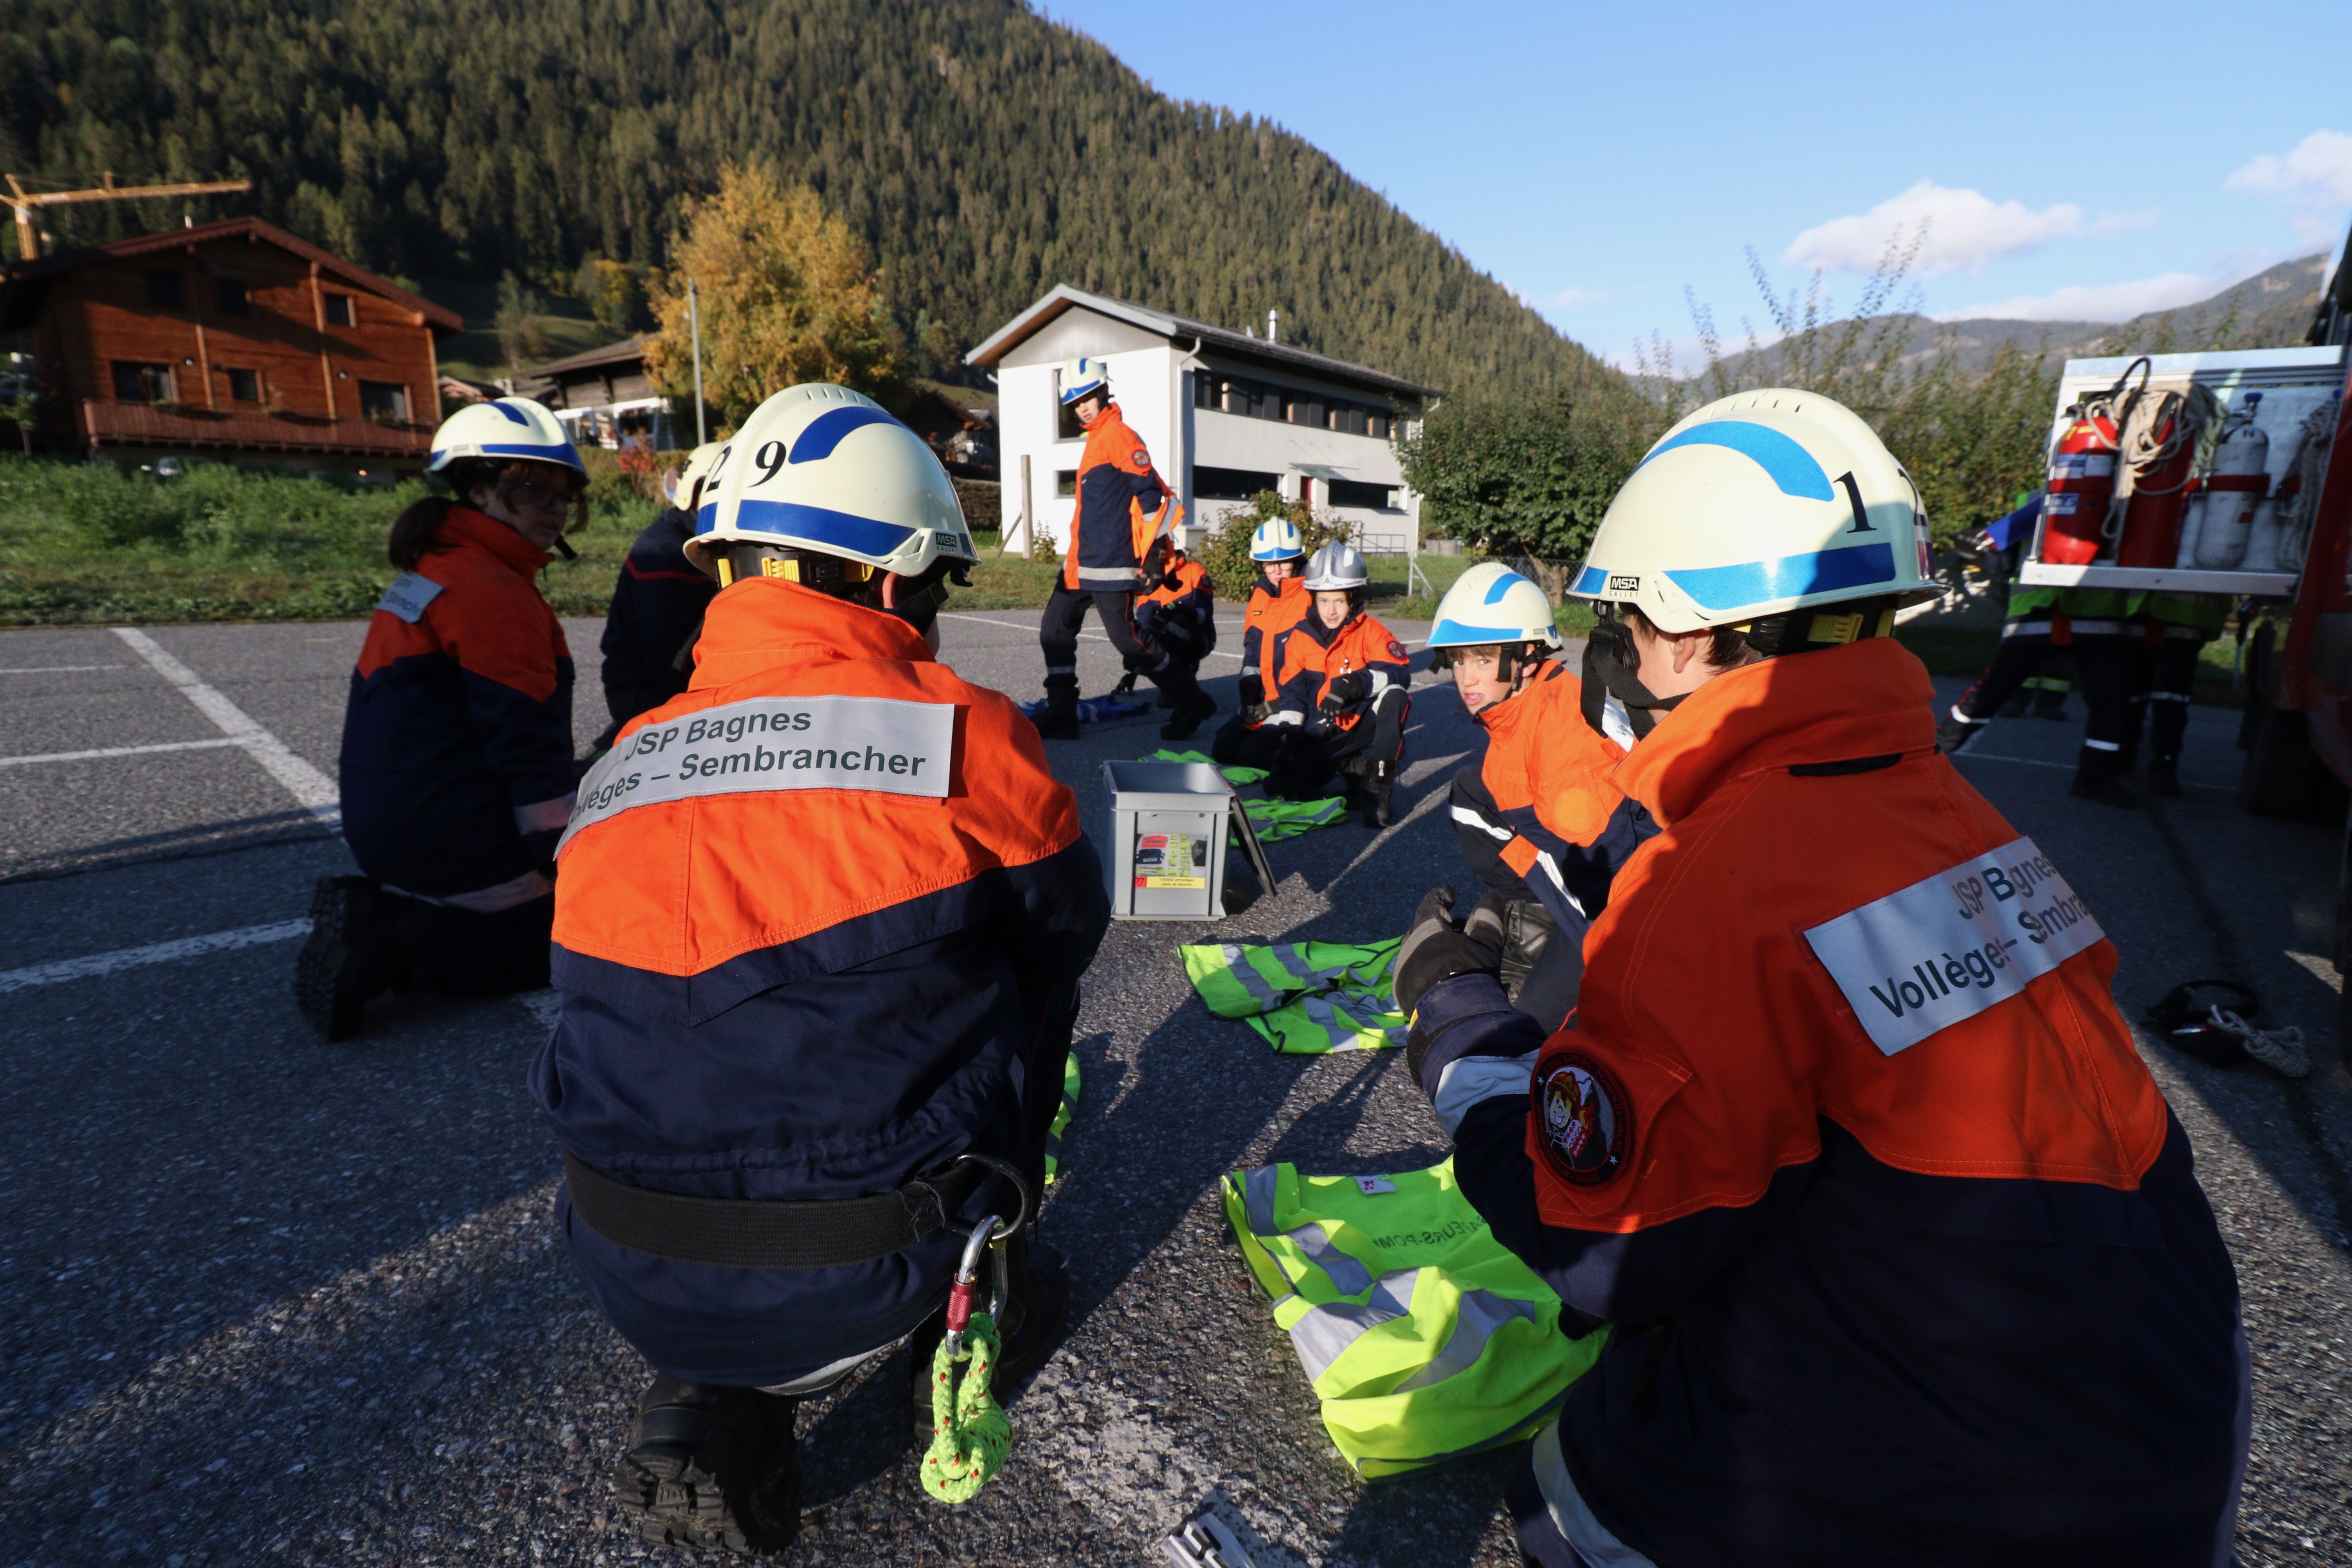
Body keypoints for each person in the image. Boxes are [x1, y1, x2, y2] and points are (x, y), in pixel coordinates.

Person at [1393, 389, 2247, 1568]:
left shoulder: (1712, 883)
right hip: (2175, 1441)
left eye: (1626, 619)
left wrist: (1454, 1019)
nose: (1621, 652)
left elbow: (1597, 1246)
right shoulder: (1965, 820)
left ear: (1687, 636)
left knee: (1575, 1479)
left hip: (1964, 1500)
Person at [532, 383, 1109, 1553]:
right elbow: (1066, 929)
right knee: (1026, 984)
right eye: (937, 588)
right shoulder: (961, 728)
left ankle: (710, 1386)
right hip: (872, 1260)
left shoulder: (625, 761)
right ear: (894, 585)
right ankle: (976, 1297)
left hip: (622, 1256)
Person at [296, 397, 586, 1042]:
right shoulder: (490, 588)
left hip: (394, 824)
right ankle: (392, 940)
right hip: (452, 834)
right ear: (478, 490)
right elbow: (525, 740)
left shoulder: (437, 567)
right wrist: (563, 857)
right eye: (533, 490)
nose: (556, 508)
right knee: (566, 945)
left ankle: (403, 908)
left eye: (565, 493)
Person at [1427, 563, 1652, 1028]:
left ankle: (1556, 940)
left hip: (1632, 908)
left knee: (1533, 1024)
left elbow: (1605, 882)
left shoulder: (1562, 747)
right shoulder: (1530, 702)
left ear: (1527, 656)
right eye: (1458, 660)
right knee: (1471, 791)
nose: (1466, 678)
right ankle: (1536, 917)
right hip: (1598, 862)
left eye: (1483, 660)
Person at [1034, 356, 1212, 740]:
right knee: (1055, 629)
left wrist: (1155, 556)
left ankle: (1191, 698)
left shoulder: (1118, 434)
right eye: (1075, 403)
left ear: (1103, 393)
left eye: (1087, 398)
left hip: (1112, 562)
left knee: (1129, 642)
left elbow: (1151, 499)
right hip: (1081, 562)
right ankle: (1062, 712)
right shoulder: (1096, 438)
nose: (1082, 407)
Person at [1935, 493, 2141, 807]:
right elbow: (2000, 561)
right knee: (1992, 692)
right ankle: (1931, 757)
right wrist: (1973, 550)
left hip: (2094, 615)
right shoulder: (2038, 501)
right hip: (2041, 610)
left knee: (2110, 699)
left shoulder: (2130, 498)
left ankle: (2096, 779)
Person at [1265, 542, 1411, 827]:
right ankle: (1352, 769)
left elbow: (1400, 674)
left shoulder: (1371, 631)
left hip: (1361, 720)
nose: (1331, 611)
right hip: (1324, 728)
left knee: (1396, 696)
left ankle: (1377, 791)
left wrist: (1354, 684)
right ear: (1313, 599)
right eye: (1324, 601)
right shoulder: (1300, 637)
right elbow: (1292, 691)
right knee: (1280, 787)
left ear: (1353, 599)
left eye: (1339, 602)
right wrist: (1291, 732)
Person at [593, 441, 723, 750]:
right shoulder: (666, 554)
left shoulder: (696, 540)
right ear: (696, 493)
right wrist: (693, 716)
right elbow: (665, 652)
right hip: (646, 694)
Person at [1210, 515, 1312, 767]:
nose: (1276, 571)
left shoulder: (1312, 597)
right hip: (1264, 699)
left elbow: (1316, 668)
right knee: (1223, 750)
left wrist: (1277, 704)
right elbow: (1252, 651)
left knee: (1252, 757)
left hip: (1295, 701)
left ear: (1297, 561)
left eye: (1284, 562)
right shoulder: (1260, 596)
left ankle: (1305, 754)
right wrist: (1248, 695)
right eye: (1269, 564)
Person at [2124, 590, 2228, 797]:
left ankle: (2160, 761)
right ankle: (2145, 758)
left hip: (2178, 613)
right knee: (2142, 692)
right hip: (2158, 611)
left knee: (2167, 696)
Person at [1130, 529, 1219, 740]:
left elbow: (1204, 615)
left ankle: (1187, 683)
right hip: (1168, 637)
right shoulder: (1150, 579)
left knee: (1175, 624)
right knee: (1142, 640)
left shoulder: (1194, 571)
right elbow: (1144, 624)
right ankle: (1174, 686)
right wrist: (1133, 667)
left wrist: (1179, 610)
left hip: (1200, 638)